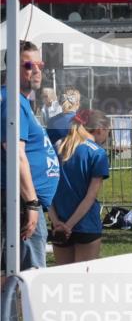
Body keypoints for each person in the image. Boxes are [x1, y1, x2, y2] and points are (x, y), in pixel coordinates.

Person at [1, 42, 60, 271]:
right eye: (28, 65)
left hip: (23, 203)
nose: (36, 70)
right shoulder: (12, 101)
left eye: (40, 64)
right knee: (29, 281)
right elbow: (16, 153)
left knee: (17, 278)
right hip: (21, 204)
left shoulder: (20, 101)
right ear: (12, 68)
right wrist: (32, 203)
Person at [49, 109, 110, 264]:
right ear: (100, 129)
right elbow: (90, 197)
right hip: (86, 225)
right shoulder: (98, 153)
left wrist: (57, 222)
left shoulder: (56, 147)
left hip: (58, 223)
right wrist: (69, 226)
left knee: (64, 281)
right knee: (84, 282)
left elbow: (46, 190)